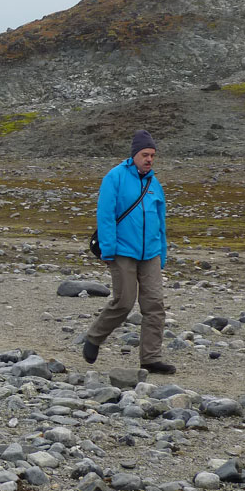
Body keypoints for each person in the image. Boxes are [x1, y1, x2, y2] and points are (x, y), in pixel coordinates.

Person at [83, 130, 173, 374]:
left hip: (151, 253)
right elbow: (106, 215)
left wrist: (162, 254)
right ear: (134, 155)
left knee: (155, 306)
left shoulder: (155, 184)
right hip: (122, 251)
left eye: (152, 155)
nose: (149, 159)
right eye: (145, 154)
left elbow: (160, 222)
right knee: (123, 302)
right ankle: (94, 337)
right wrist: (109, 250)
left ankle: (150, 358)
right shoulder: (115, 178)